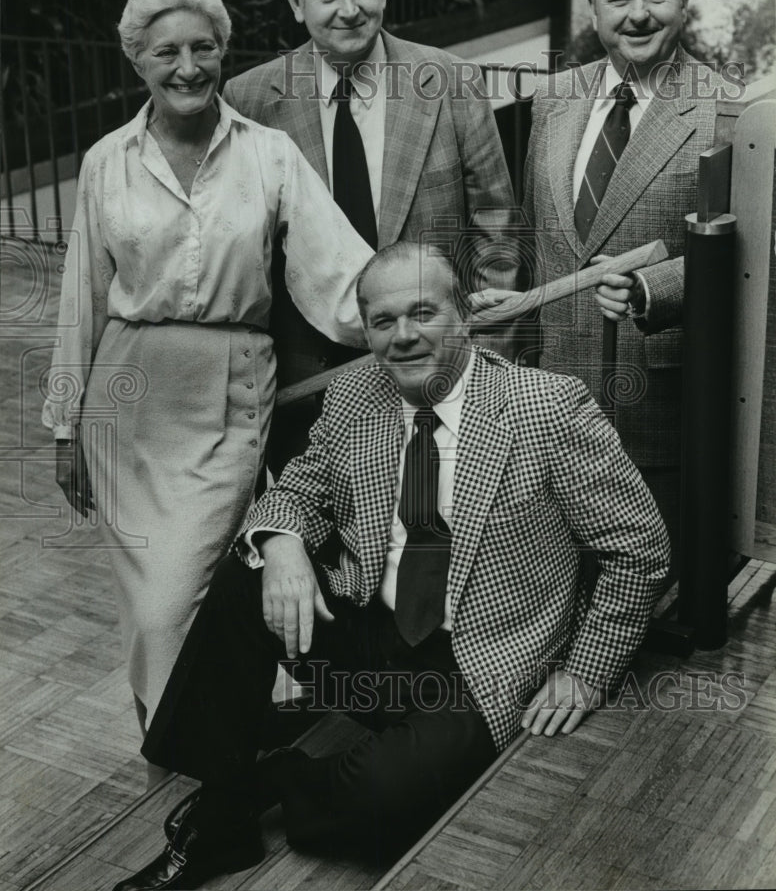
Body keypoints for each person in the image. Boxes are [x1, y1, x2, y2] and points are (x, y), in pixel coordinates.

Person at [114, 242, 669, 891]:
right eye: (383, 321)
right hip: (367, 639)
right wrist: (283, 544)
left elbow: (639, 548)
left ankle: (272, 778)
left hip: (475, 665)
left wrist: (585, 673)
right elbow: (296, 493)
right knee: (249, 570)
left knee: (380, 810)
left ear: (463, 315)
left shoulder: (546, 409)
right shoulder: (356, 395)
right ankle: (222, 814)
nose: (403, 336)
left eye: (423, 313)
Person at [42, 0, 373, 775]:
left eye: (202, 48)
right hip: (125, 397)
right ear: (137, 59)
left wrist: (415, 314)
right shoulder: (105, 162)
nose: (187, 67)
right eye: (166, 52)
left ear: (223, 51)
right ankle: (188, 745)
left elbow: (339, 274)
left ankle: (197, 748)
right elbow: (81, 298)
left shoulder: (268, 156)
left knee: (180, 590)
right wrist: (63, 426)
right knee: (150, 607)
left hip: (229, 390)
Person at [222, 0, 518, 470]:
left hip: (438, 373)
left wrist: (482, 371)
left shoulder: (452, 83)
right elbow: (243, 257)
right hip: (307, 387)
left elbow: (496, 232)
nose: (349, 8)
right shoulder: (251, 100)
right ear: (295, 1)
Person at [475, 0, 726, 558]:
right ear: (594, 8)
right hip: (548, 406)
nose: (637, 14)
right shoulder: (554, 98)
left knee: (649, 608)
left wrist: (650, 289)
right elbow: (535, 235)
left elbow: (746, 259)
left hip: (655, 417)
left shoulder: (726, 111)